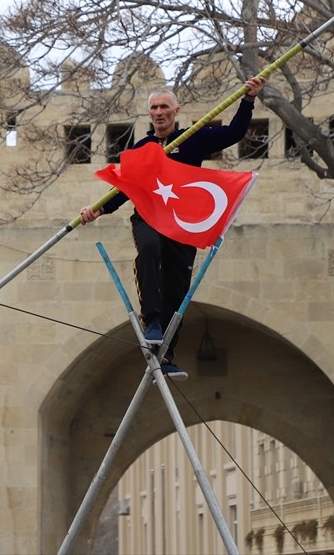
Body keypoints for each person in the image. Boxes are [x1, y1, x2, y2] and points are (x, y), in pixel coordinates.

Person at [80, 76, 266, 380]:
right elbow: (125, 188)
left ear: (175, 110)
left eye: (164, 106)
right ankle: (151, 321)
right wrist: (98, 209)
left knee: (178, 285)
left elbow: (233, 133)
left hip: (183, 223)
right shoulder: (142, 148)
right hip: (149, 218)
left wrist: (248, 100)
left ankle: (166, 354)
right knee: (149, 249)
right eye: (154, 107)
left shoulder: (193, 137)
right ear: (149, 114)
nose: (159, 112)